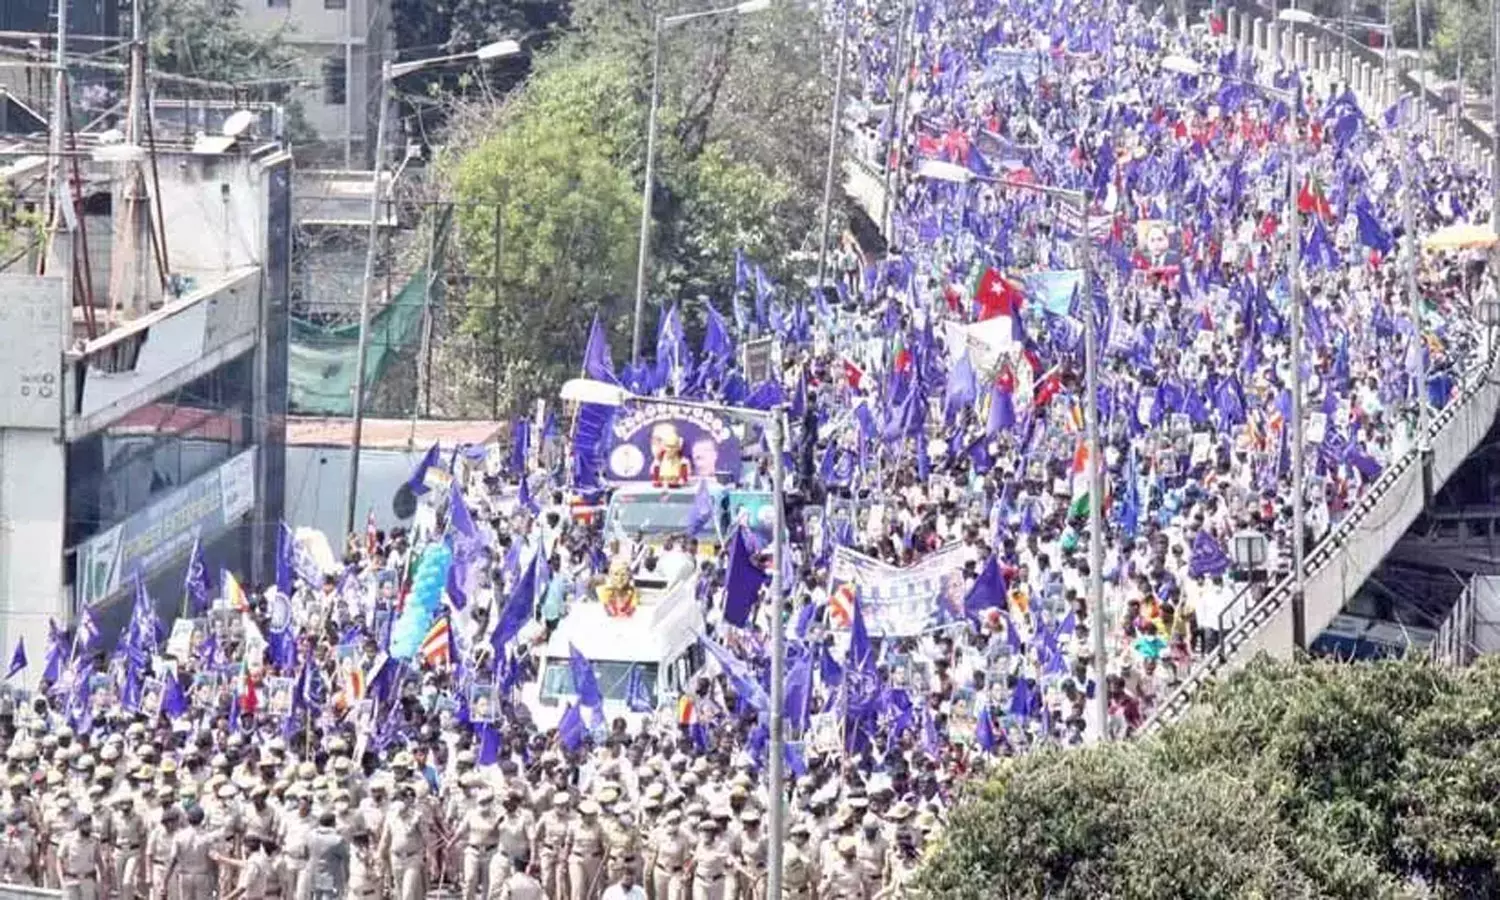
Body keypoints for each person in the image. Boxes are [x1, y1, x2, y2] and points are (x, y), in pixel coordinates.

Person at [55, 811, 101, 900]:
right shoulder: (68, 839)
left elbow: (99, 860)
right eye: (86, 824)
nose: (89, 827)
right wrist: (61, 880)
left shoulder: (94, 841)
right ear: (79, 825)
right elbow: (59, 860)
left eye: (89, 824)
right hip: (71, 880)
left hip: (88, 880)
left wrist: (101, 880)